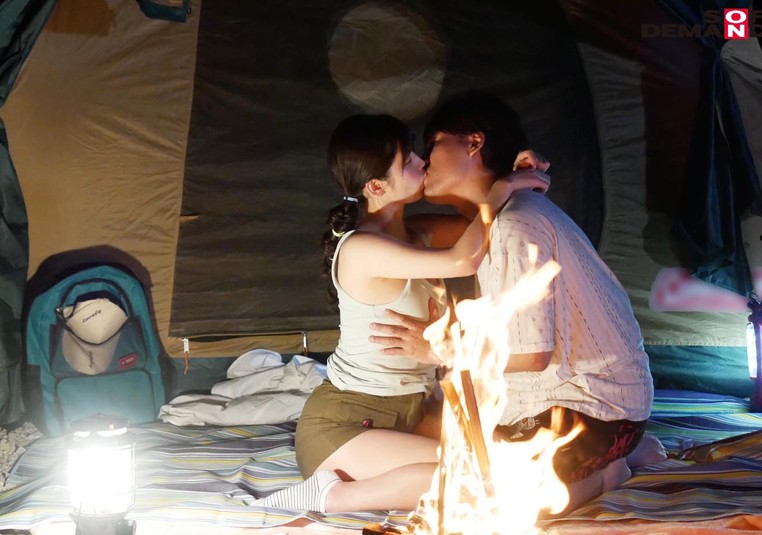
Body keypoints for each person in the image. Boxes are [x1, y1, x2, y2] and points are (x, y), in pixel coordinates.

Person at [369, 91, 665, 513]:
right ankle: (624, 452)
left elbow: (531, 354)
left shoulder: (515, 224)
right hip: (600, 408)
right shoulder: (500, 216)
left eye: (433, 145)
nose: (425, 161)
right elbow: (396, 232)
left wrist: (439, 348)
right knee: (427, 438)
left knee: (487, 504)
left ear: (474, 143)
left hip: (593, 412)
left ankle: (610, 471)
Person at [263, 113, 550, 513]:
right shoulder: (360, 248)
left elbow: (495, 226)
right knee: (474, 477)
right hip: (345, 427)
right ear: (376, 186)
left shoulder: (420, 232)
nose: (422, 161)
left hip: (411, 413)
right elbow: (464, 259)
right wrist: (504, 186)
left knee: (518, 464)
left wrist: (517, 174)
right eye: (408, 160)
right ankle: (330, 496)